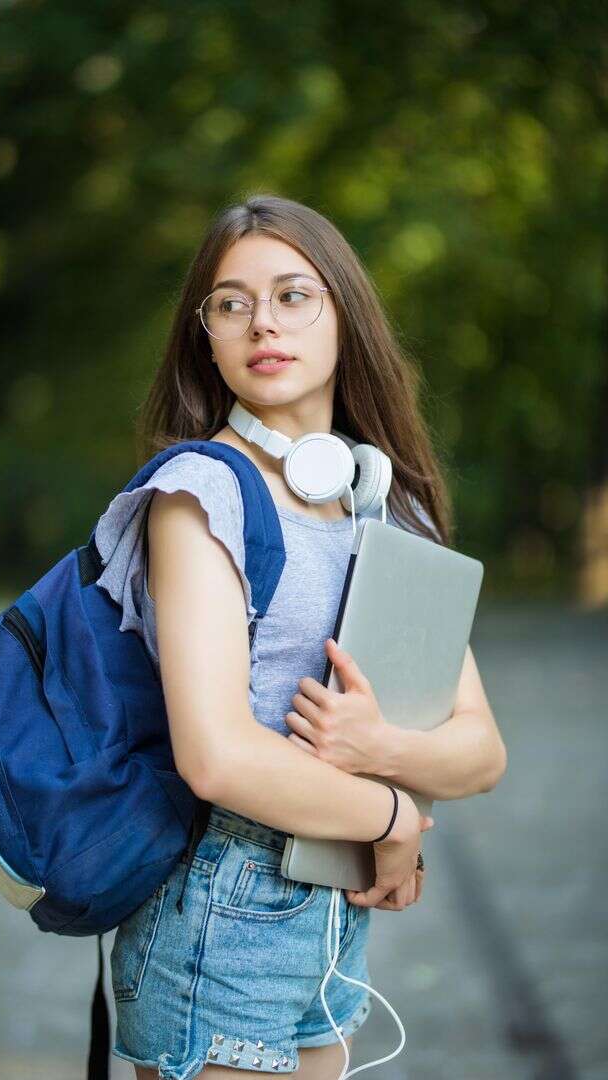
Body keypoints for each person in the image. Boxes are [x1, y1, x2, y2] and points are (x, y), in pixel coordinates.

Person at [96, 194, 507, 1080]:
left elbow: (480, 752)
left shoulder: (386, 507)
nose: (262, 323)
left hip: (329, 921)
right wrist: (392, 811)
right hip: (218, 914)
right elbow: (218, 759)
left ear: (344, 315)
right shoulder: (200, 494)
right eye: (230, 304)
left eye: (293, 295)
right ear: (205, 336)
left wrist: (381, 746)